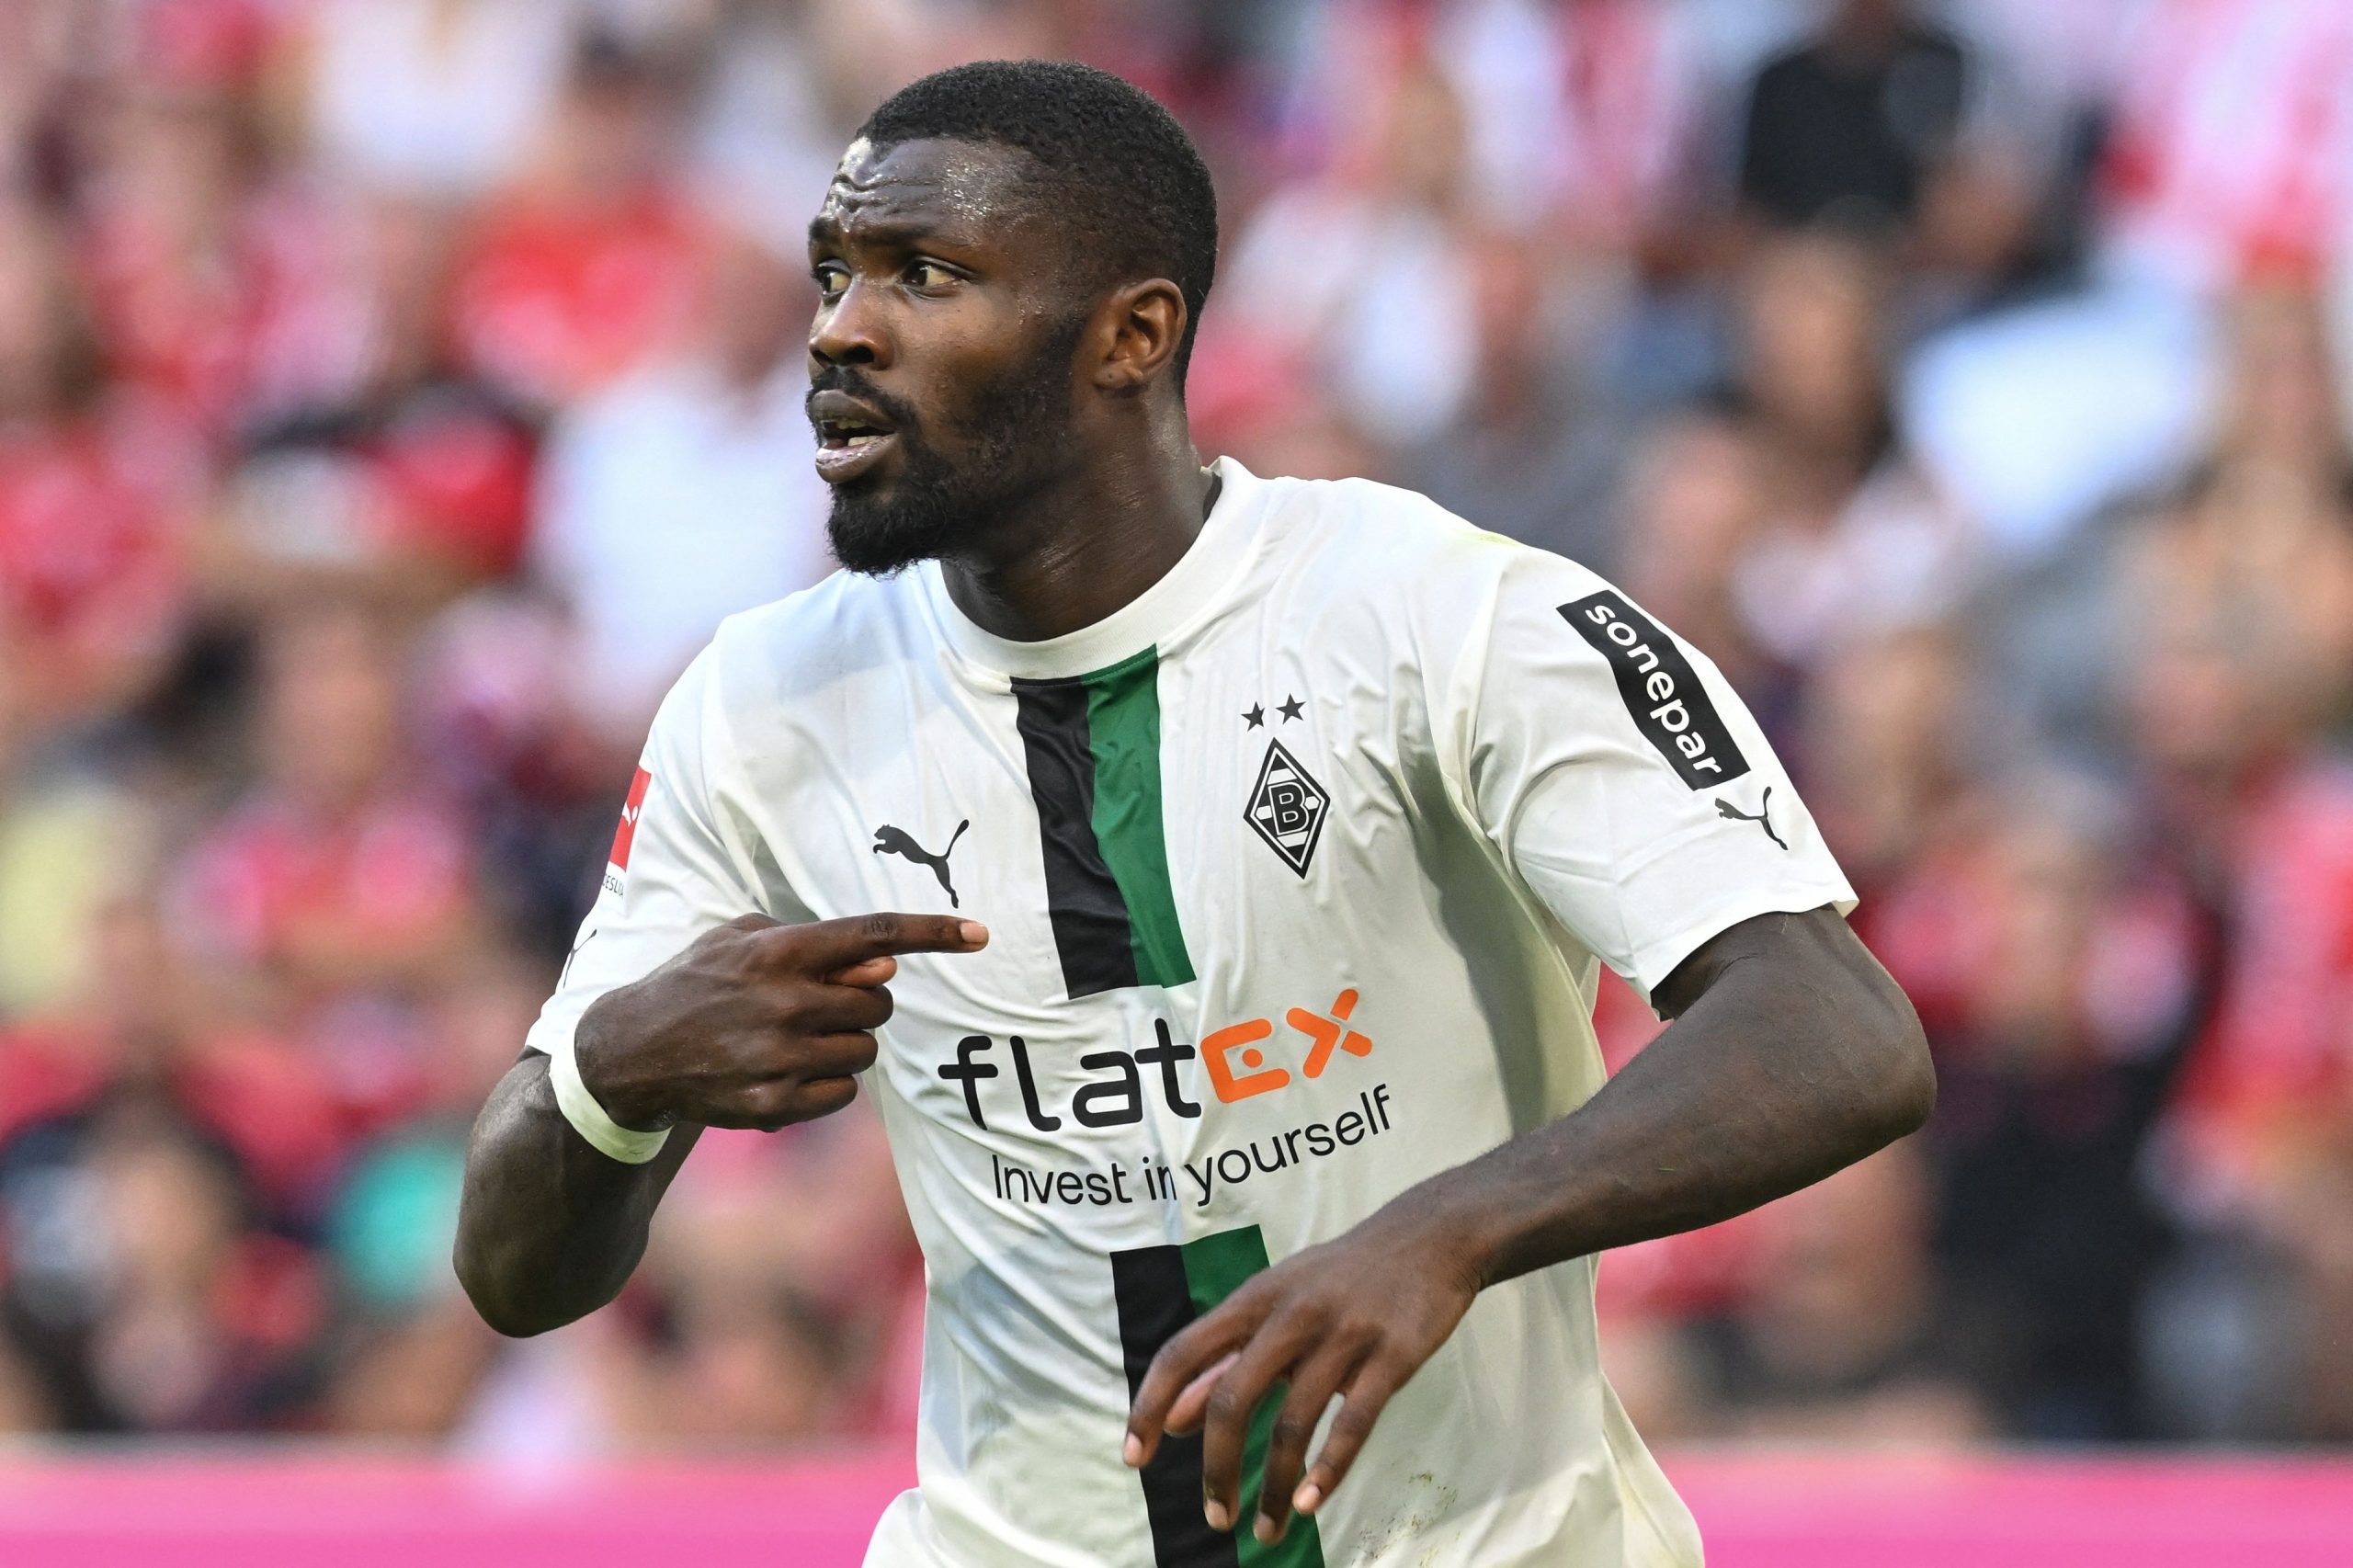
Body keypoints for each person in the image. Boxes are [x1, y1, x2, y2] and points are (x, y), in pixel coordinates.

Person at [454, 60, 1931, 1568]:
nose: (842, 326)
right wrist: (613, 1072)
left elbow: (1837, 1029)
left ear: (1133, 335)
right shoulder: (761, 705)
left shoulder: (1440, 618)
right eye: (834, 272)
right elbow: (514, 1269)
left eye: (928, 275)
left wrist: (1450, 1231)